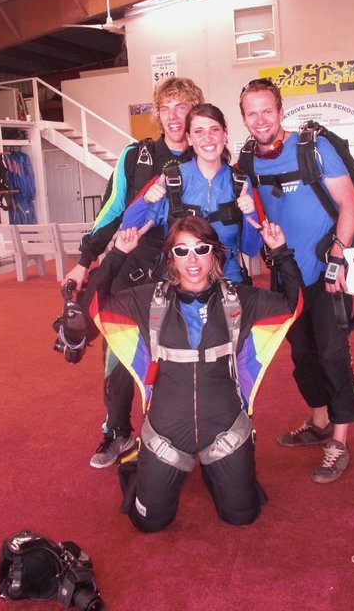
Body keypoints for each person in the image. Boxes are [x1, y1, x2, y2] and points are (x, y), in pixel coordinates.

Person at [88, 215, 302, 532]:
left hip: (225, 428)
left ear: (215, 254)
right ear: (170, 257)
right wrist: (117, 254)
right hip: (166, 432)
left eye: (201, 249)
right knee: (150, 523)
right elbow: (91, 303)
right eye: (182, 250)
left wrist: (280, 252)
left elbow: (293, 303)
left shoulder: (239, 299)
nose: (192, 260)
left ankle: (221, 471)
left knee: (242, 515)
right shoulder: (148, 300)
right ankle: (140, 469)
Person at [63, 77, 205, 469]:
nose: (175, 115)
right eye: (167, 107)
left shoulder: (208, 154)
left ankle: (193, 432)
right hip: (135, 265)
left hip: (189, 268)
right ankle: (118, 429)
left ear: (194, 110)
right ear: (157, 112)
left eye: (183, 106)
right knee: (120, 354)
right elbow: (111, 212)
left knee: (190, 355)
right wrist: (84, 260)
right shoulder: (135, 155)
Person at [238, 78, 354, 484]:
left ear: (280, 109)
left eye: (266, 110)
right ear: (244, 118)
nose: (260, 119)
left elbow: (351, 202)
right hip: (285, 274)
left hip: (324, 269)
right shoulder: (248, 161)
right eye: (251, 112)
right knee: (302, 356)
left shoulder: (312, 147)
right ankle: (320, 421)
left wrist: (339, 256)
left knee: (331, 353)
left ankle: (339, 441)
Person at [121, 103, 261, 282]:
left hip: (227, 283)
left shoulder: (239, 181)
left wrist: (250, 213)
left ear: (225, 135)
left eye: (214, 130)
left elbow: (251, 248)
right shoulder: (171, 180)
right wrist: (145, 200)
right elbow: (129, 229)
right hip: (178, 285)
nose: (207, 138)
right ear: (189, 138)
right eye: (199, 131)